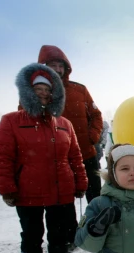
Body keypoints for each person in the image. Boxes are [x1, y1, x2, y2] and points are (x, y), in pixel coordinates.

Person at [0, 63, 88, 253]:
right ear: (28, 91)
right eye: (39, 89)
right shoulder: (11, 121)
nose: (44, 94)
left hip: (60, 191)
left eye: (48, 89)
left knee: (59, 235)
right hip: (28, 192)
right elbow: (3, 156)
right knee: (31, 237)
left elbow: (75, 155)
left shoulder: (64, 124)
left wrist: (81, 180)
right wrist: (6, 187)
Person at [38, 45, 103, 203]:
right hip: (55, 159)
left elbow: (96, 115)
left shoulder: (79, 90)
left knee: (96, 200)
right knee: (60, 204)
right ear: (43, 68)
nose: (58, 70)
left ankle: (97, 227)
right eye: (53, 66)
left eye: (61, 66)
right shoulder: (36, 93)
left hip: (85, 154)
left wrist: (91, 137)